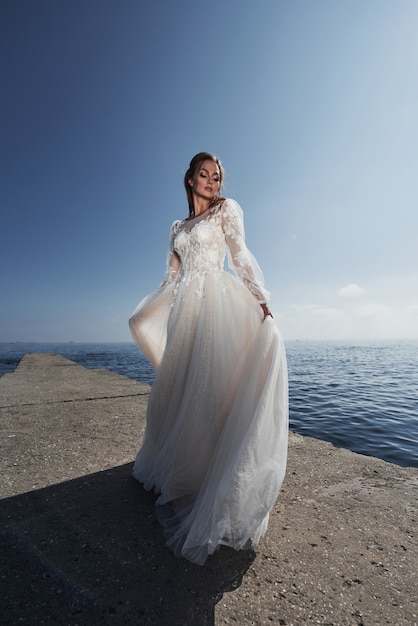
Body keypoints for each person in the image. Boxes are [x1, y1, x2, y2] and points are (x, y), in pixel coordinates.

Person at [129, 152, 288, 566]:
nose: (212, 181)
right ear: (189, 179)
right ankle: (184, 468)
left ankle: (213, 479)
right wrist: (149, 310)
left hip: (216, 301)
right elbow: (172, 275)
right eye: (204, 174)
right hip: (185, 308)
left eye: (217, 176)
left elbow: (239, 255)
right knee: (181, 392)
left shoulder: (226, 211)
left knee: (210, 389)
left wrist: (261, 298)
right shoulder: (177, 228)